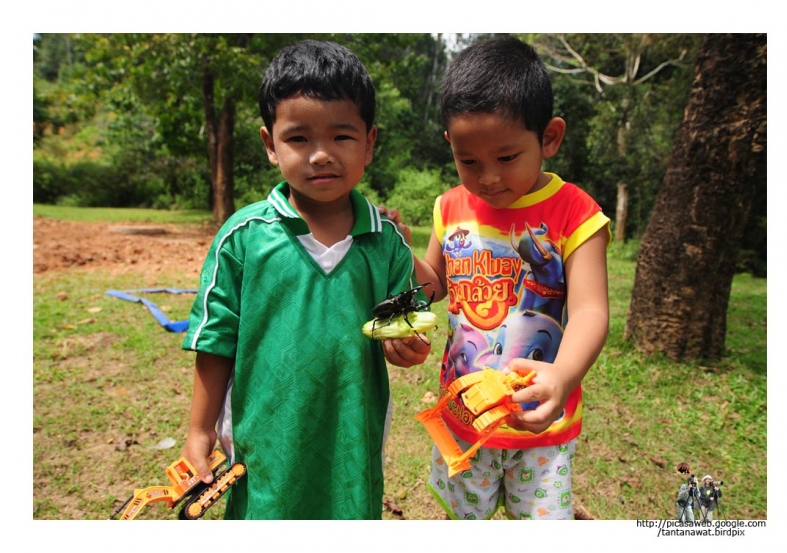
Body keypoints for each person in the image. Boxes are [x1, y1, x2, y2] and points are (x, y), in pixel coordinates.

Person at [179, 39, 431, 519]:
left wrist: (410, 349)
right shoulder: (244, 238)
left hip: (352, 440)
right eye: (298, 138)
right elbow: (216, 340)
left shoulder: (386, 244)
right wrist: (199, 431)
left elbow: (408, 328)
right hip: (263, 443)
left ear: (370, 143)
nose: (320, 155)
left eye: (341, 136)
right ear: (269, 145)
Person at [409, 35, 610, 520]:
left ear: (549, 137)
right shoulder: (449, 206)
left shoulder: (574, 213)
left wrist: (563, 375)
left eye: (506, 158)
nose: (488, 178)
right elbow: (433, 283)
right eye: (468, 161)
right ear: (450, 146)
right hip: (465, 419)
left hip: (539, 424)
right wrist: (397, 254)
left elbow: (590, 310)